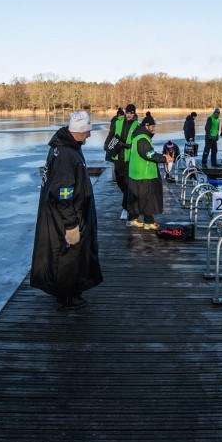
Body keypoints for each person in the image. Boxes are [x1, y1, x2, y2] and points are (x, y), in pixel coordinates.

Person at [30, 111, 103, 311]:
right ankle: (67, 296)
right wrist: (71, 224)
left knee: (70, 256)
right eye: (88, 131)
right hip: (67, 217)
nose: (89, 135)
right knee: (68, 256)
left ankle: (68, 292)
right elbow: (63, 193)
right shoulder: (65, 154)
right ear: (79, 131)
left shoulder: (67, 147)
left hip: (69, 213)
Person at [127, 113, 173, 229]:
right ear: (146, 127)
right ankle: (148, 222)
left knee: (137, 199)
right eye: (152, 127)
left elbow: (149, 153)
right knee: (148, 199)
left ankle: (133, 219)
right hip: (145, 174)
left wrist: (160, 156)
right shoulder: (142, 139)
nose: (154, 130)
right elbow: (149, 154)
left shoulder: (138, 137)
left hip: (137, 173)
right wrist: (164, 158)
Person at [107, 104, 141, 220]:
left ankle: (125, 208)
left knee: (127, 184)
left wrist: (126, 145)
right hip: (117, 157)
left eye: (132, 113)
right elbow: (111, 134)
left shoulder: (137, 125)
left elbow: (137, 142)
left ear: (134, 113)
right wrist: (107, 145)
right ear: (125, 112)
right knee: (119, 181)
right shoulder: (118, 122)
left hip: (129, 159)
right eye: (128, 112)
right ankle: (129, 199)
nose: (129, 115)